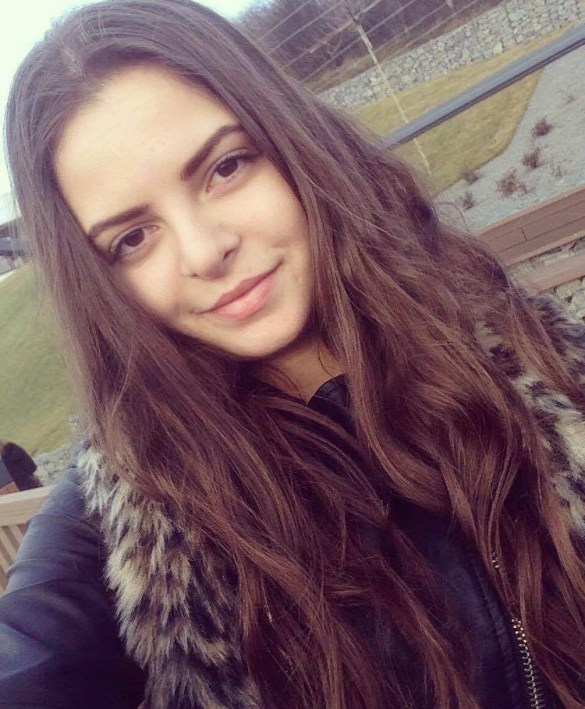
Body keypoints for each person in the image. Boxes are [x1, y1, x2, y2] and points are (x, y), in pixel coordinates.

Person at [0, 0, 584, 706]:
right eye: (133, 239)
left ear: (289, 139)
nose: (205, 251)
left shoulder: (527, 349)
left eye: (226, 167)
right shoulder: (131, 518)